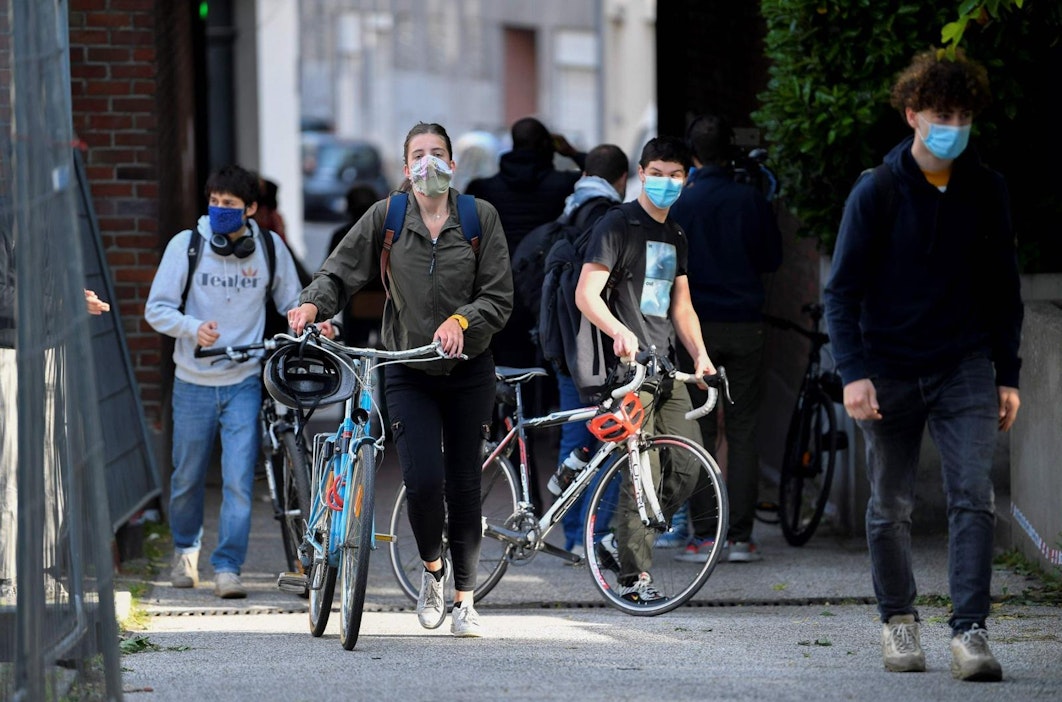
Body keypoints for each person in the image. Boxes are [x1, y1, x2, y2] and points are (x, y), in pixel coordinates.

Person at [823, 48, 1023, 681]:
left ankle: (970, 632)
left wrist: (1008, 374)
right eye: (941, 114)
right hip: (887, 368)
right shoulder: (877, 190)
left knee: (974, 496)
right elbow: (841, 292)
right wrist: (853, 372)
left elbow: (1004, 288)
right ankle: (899, 621)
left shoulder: (986, 189)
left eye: (962, 116)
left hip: (964, 364)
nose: (952, 127)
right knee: (891, 504)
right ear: (912, 114)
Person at [288, 122, 513, 637]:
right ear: (406, 166)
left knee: (464, 485)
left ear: (452, 165)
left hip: (469, 367)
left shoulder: (479, 217)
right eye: (418, 154)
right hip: (407, 368)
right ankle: (433, 571)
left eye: (437, 154)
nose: (428, 163)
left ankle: (465, 601)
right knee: (424, 482)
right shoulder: (386, 217)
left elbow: (499, 295)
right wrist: (312, 304)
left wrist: (462, 321)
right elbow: (339, 272)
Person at [145, 164, 307, 599]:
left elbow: (293, 303)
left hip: (244, 381)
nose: (219, 210)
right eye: (214, 202)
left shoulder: (269, 248)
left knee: (238, 480)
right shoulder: (187, 245)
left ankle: (228, 567)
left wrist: (314, 322)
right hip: (192, 381)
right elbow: (156, 308)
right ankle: (185, 550)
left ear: (250, 209)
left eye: (229, 204)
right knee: (187, 477)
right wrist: (192, 327)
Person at [574, 136, 717, 604]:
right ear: (640, 173)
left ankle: (619, 543)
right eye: (657, 173)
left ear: (686, 180)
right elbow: (586, 294)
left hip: (665, 365)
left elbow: (682, 306)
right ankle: (634, 578)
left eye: (675, 175)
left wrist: (700, 355)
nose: (665, 182)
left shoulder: (675, 233)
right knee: (643, 475)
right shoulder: (617, 225)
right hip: (627, 371)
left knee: (689, 467)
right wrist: (619, 331)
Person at [668, 113, 783, 563]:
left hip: (693, 326)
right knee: (743, 429)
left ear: (691, 155)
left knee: (696, 428)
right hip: (745, 322)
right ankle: (740, 538)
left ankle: (703, 536)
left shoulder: (680, 202)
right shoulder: (749, 198)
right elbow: (771, 258)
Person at [543, 143, 628, 560]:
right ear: (623, 179)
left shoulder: (568, 209)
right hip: (599, 349)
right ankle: (596, 535)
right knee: (610, 438)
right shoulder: (610, 218)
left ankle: (574, 533)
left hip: (565, 344)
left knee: (575, 439)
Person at [466, 116, 583, 373]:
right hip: (549, 286)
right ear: (547, 146)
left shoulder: (484, 188)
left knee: (508, 368)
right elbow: (603, 176)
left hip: (500, 284)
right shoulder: (566, 184)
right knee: (553, 367)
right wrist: (572, 153)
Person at [329, 184, 383, 347]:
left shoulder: (341, 235)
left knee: (355, 351)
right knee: (387, 352)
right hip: (385, 302)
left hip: (355, 302)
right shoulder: (388, 234)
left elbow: (330, 273)